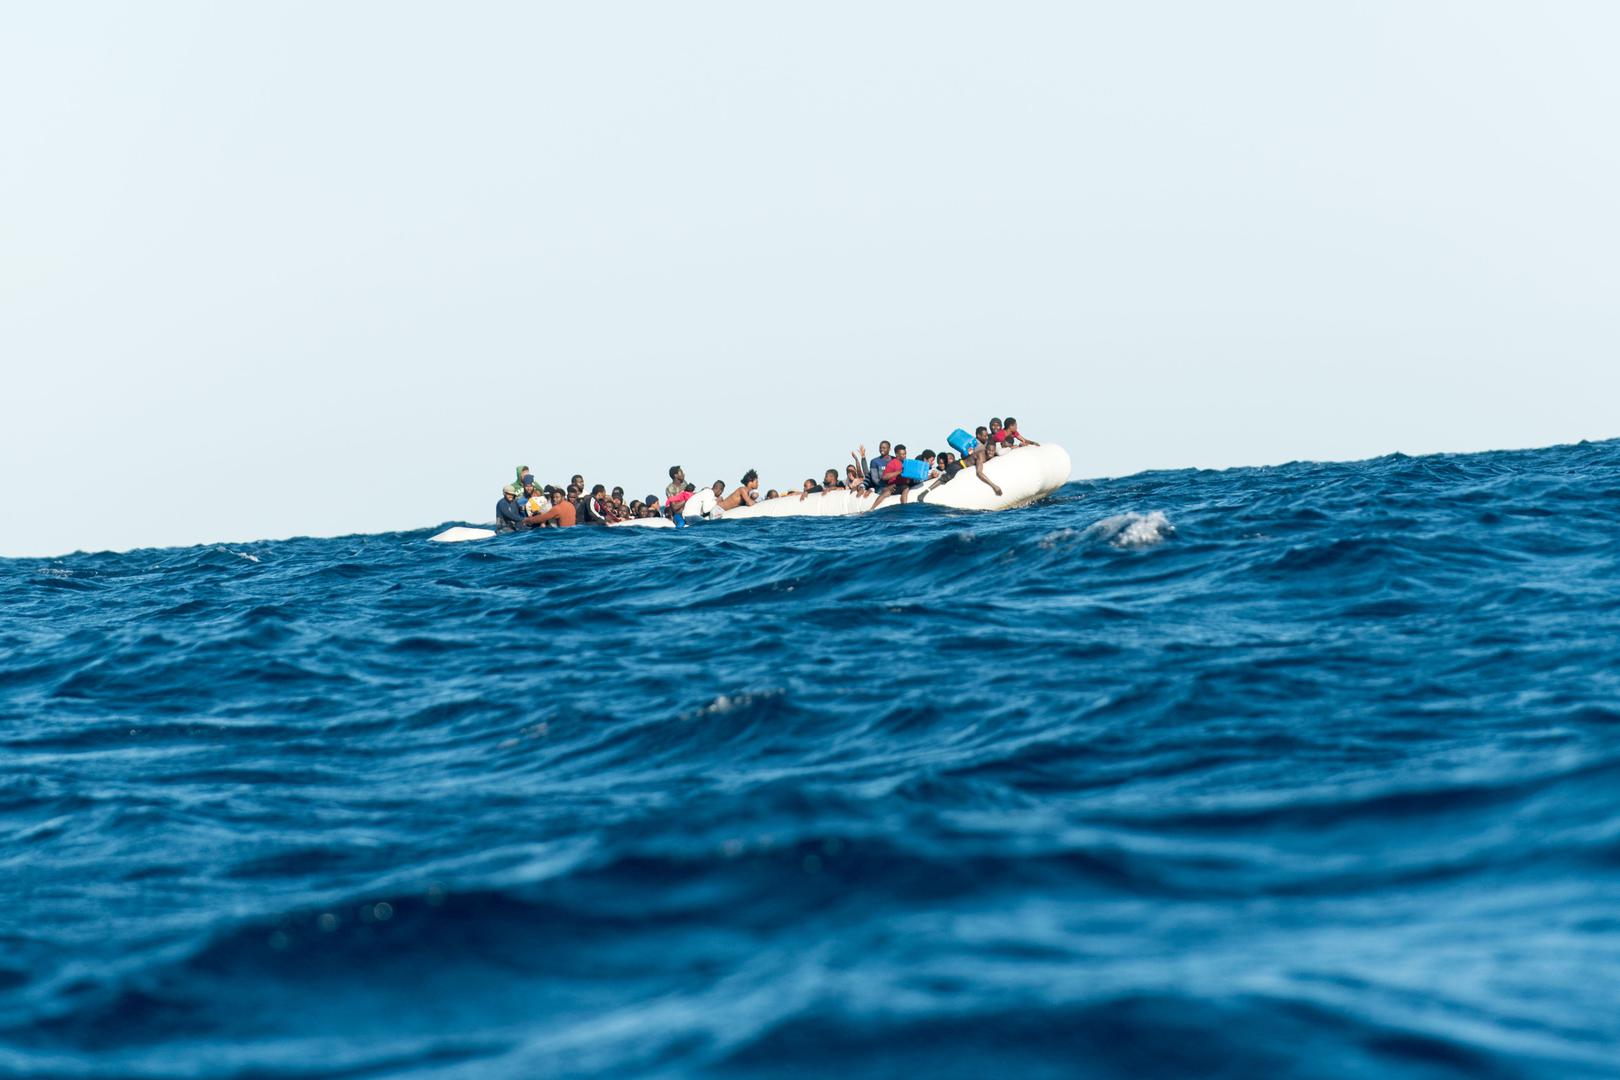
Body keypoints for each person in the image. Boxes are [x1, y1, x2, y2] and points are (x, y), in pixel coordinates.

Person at [963, 425, 1004, 496]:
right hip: (960, 466)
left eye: (987, 436)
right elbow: (979, 473)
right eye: (985, 436)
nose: (987, 437)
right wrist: (994, 486)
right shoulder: (979, 450)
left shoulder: (985, 446)